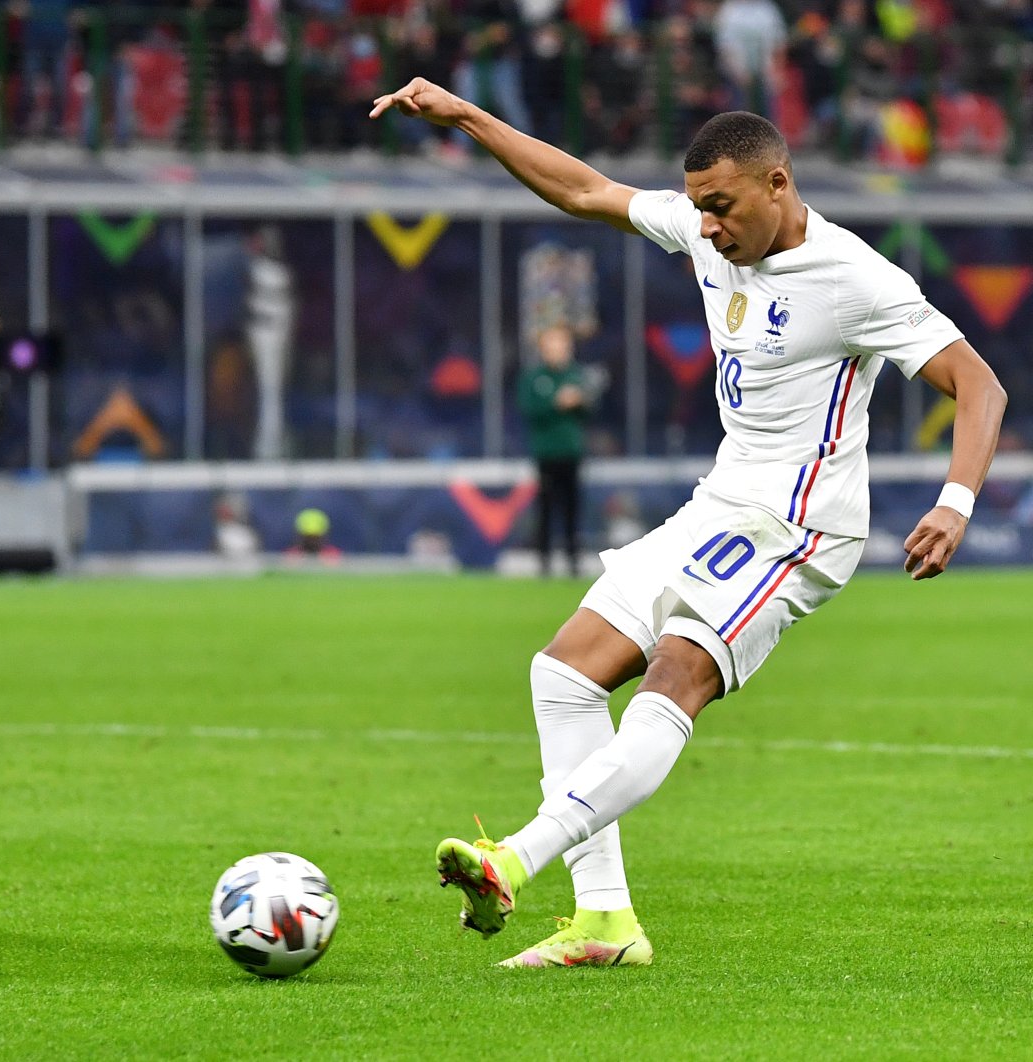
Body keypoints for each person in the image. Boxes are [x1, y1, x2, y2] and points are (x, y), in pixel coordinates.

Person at [370, 81, 1004, 967]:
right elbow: (585, 191)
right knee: (561, 675)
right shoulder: (712, 237)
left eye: (722, 207)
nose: (706, 228)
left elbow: (980, 385)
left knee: (673, 673)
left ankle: (514, 858)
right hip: (717, 507)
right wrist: (470, 119)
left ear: (777, 184)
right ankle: (604, 924)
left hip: (799, 530)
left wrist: (955, 501)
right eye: (698, 207)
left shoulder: (858, 278)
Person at [519, 326, 589, 577]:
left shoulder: (576, 375)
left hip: (572, 452)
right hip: (547, 453)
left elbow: (590, 409)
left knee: (572, 508)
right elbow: (529, 408)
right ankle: (544, 562)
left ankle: (573, 561)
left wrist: (581, 401)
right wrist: (557, 403)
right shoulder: (535, 377)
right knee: (546, 509)